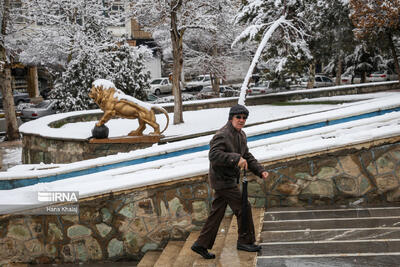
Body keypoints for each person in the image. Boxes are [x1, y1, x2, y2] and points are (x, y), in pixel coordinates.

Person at [191, 104, 269, 259]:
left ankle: (201, 244)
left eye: (244, 118)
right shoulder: (223, 134)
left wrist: (260, 170)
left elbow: (246, 155)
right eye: (238, 117)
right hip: (222, 181)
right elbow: (214, 155)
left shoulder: (241, 134)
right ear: (231, 118)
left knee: (217, 213)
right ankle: (245, 241)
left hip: (228, 180)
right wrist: (235, 158)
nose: (241, 120)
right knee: (243, 207)